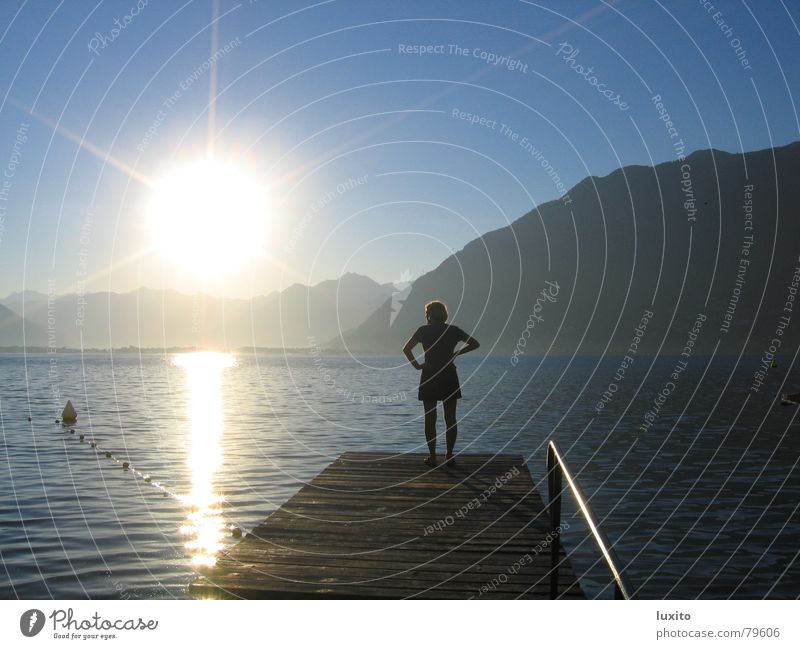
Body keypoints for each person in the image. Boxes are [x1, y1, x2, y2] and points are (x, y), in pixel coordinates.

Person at [402, 301, 480, 468]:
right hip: (449, 375)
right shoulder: (453, 330)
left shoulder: (423, 330)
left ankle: (432, 457)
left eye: (426, 312)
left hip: (429, 375)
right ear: (444, 314)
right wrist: (456, 353)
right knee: (450, 418)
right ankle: (449, 456)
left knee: (430, 418)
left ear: (429, 314)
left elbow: (406, 349)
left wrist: (417, 366)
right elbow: (475, 343)